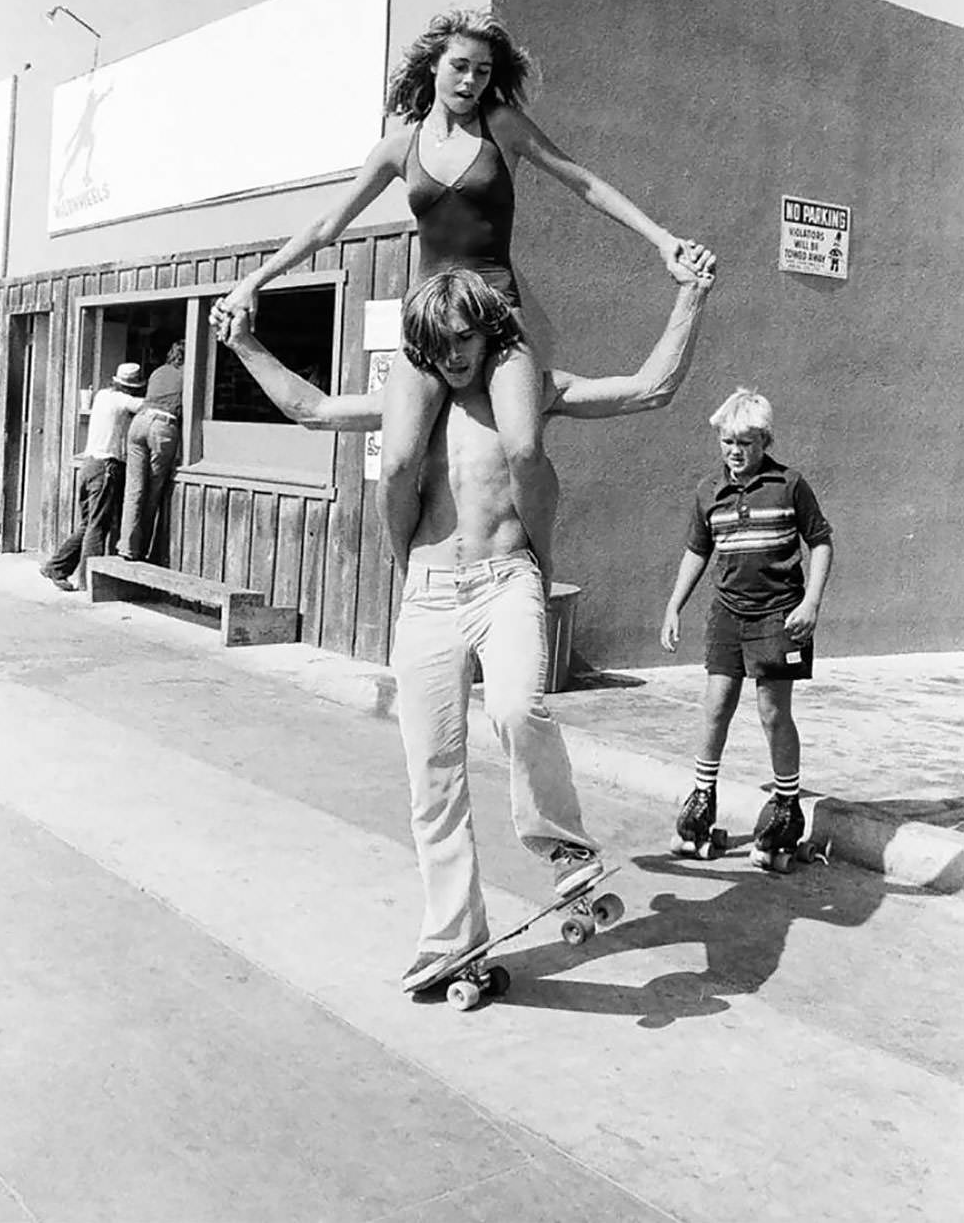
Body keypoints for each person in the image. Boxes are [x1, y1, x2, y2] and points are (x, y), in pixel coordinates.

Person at [219, 250, 715, 990]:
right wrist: (243, 342)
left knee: (518, 708)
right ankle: (453, 934)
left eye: (465, 341)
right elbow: (311, 409)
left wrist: (691, 297)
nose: (453, 358)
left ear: (488, 336)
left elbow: (651, 389)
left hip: (506, 579)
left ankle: (565, 846)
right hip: (427, 591)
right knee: (432, 773)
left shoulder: (533, 391)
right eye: (438, 345)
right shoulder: (412, 407)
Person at [210, 7, 694, 588]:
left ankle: (536, 572)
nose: (470, 83)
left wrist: (662, 240)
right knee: (396, 462)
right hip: (431, 322)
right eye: (460, 68)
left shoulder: (504, 128)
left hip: (497, 312)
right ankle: (408, 574)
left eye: (483, 72)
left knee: (521, 447)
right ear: (433, 65)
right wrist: (251, 282)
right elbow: (325, 226)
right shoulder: (398, 148)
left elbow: (583, 182)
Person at [660, 387, 834, 869]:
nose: (735, 453)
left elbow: (820, 542)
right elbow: (697, 552)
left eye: (746, 443)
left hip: (779, 616)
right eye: (727, 443)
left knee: (772, 713)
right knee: (715, 705)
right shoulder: (707, 492)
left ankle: (785, 807)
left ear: (765, 441)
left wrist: (812, 604)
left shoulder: (789, 485)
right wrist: (674, 606)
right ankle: (700, 799)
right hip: (727, 616)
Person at [39, 362, 146, 591]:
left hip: (89, 463)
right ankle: (89, 582)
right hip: (106, 466)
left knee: (87, 523)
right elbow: (147, 407)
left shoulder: (102, 396)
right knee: (97, 527)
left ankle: (57, 567)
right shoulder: (123, 400)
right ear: (132, 387)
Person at [118, 340, 185, 562]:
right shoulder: (188, 374)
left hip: (140, 422)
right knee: (153, 490)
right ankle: (142, 550)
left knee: (134, 488)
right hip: (162, 426)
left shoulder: (158, 371)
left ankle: (127, 547)